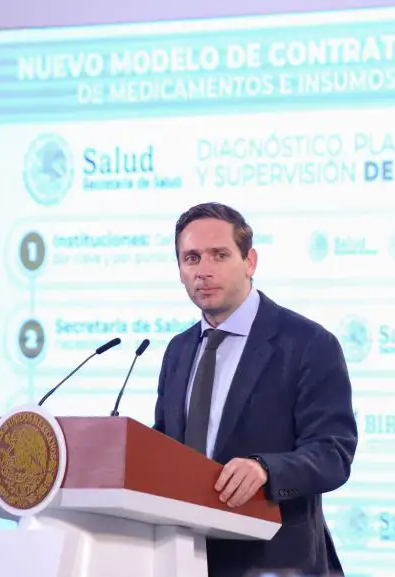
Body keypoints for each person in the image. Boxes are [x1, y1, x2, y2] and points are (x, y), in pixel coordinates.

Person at [153, 202, 358, 577]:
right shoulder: (178, 351)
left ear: (250, 262)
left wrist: (266, 469)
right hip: (183, 560)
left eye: (219, 255)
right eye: (192, 258)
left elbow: (333, 453)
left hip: (277, 562)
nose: (204, 271)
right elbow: (166, 445)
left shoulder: (308, 343)